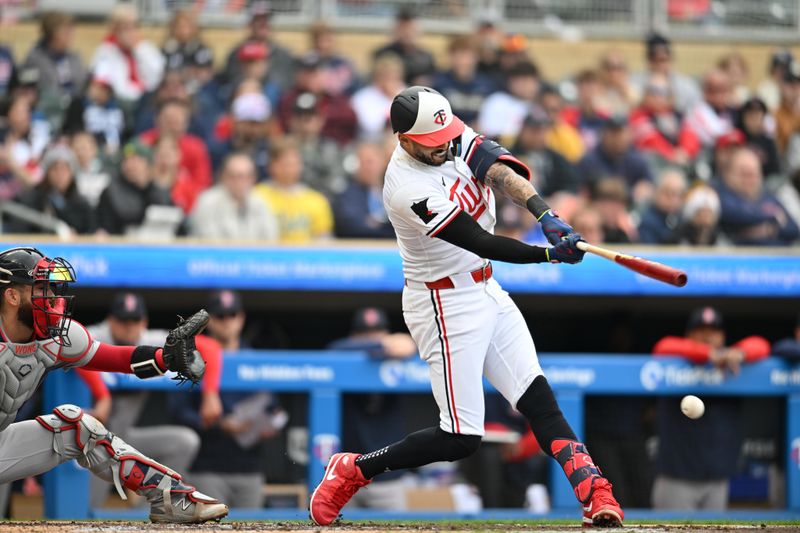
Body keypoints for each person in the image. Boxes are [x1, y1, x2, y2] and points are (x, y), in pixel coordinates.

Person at [308, 86, 624, 528]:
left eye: (447, 138)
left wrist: (544, 214)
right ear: (404, 140)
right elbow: (479, 240)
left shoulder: (447, 133)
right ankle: (354, 469)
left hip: (486, 289)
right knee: (460, 437)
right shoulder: (405, 187)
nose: (445, 148)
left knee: (538, 400)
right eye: (432, 144)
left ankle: (595, 493)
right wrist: (547, 255)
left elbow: (499, 172)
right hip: (441, 300)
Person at [0, 246, 228, 523]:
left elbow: (110, 357)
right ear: (12, 296)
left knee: (77, 427)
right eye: (40, 289)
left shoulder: (53, 338)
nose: (51, 298)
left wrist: (165, 359)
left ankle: (169, 498)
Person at [81, 291, 222, 508]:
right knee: (86, 507)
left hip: (124, 437)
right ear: (111, 320)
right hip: (87, 439)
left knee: (185, 441)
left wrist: (210, 392)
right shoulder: (97, 335)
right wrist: (102, 394)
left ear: (144, 322)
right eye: (123, 320)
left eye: (134, 320)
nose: (129, 326)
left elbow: (210, 347)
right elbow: (72, 348)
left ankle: (150, 510)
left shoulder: (149, 340)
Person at [172, 289, 285, 509]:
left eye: (232, 315)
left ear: (241, 318)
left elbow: (274, 407)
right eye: (221, 316)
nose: (227, 321)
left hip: (250, 467)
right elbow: (177, 411)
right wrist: (218, 424)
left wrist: (270, 425)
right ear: (209, 320)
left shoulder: (254, 359)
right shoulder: (191, 358)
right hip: (207, 467)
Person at [651, 306, 771, 510]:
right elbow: (662, 346)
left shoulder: (733, 362)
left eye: (714, 331)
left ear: (723, 336)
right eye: (701, 330)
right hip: (676, 479)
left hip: (717, 481)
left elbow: (762, 345)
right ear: (689, 335)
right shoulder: (675, 360)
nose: (707, 336)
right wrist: (708, 353)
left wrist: (738, 353)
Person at [325, 307, 416, 510]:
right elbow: (334, 350)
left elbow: (421, 348)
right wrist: (380, 344)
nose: (371, 338)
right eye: (364, 334)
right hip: (346, 478)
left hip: (389, 478)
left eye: (377, 332)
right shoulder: (343, 354)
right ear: (353, 336)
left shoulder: (397, 359)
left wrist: (409, 344)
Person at [715, 146, 799, 246]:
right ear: (728, 174)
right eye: (744, 174)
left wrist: (768, 229)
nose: (750, 180)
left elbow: (794, 229)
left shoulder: (768, 197)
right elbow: (735, 216)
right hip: (740, 256)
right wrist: (775, 218)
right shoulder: (720, 193)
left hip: (778, 256)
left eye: (754, 174)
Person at [254, 138, 333, 243]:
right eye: (285, 163)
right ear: (271, 165)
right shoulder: (256, 196)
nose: (290, 169)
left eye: (294, 163)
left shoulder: (316, 200)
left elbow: (324, 241)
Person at [189, 152, 278, 241]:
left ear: (253, 178)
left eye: (245, 176)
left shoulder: (260, 201)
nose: (239, 182)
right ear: (223, 176)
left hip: (254, 254)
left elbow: (270, 238)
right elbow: (209, 241)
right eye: (233, 176)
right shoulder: (207, 202)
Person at [9, 144, 96, 235]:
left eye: (64, 169)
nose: (60, 174)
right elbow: (20, 231)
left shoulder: (82, 204)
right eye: (55, 169)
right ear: (47, 173)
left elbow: (91, 231)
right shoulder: (32, 199)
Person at [22, 10, 87, 126]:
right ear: (52, 34)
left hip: (74, 110)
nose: (70, 35)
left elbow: (83, 85)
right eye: (66, 31)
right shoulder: (35, 58)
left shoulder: (75, 58)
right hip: (47, 111)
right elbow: (30, 91)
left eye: (71, 31)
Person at [90, 4, 164, 104]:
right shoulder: (106, 50)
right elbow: (113, 85)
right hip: (122, 101)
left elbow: (156, 75)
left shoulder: (144, 46)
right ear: (115, 29)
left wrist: (136, 49)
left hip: (147, 98)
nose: (130, 32)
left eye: (133, 27)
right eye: (124, 28)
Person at [95, 141, 173, 236]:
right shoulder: (112, 191)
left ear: (148, 165)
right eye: (127, 160)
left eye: (137, 160)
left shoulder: (158, 190)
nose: (131, 165)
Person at [576, 115, 654, 203]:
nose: (617, 138)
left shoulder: (636, 160)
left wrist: (645, 188)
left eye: (621, 133)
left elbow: (649, 184)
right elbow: (579, 192)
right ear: (604, 134)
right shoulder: (589, 161)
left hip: (629, 208)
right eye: (613, 133)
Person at [333, 141, 395, 239]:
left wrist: (374, 223)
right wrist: (386, 225)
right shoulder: (347, 194)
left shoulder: (394, 192)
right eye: (361, 162)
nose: (366, 167)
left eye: (370, 162)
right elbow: (351, 225)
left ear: (383, 162)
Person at [432, 34, 496, 126]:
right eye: (457, 56)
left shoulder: (487, 85)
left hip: (478, 135)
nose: (462, 61)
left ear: (476, 57)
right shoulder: (438, 82)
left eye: (466, 56)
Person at [372, 8, 435, 86]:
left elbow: (433, 80)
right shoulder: (383, 54)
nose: (407, 32)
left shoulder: (426, 57)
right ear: (396, 29)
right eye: (403, 28)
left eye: (410, 28)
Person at [685, 69, 737, 150]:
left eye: (724, 90)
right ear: (706, 92)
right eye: (715, 90)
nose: (720, 96)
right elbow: (715, 136)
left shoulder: (732, 110)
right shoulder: (698, 110)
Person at [637, 169, 688, 244]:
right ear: (658, 192)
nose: (674, 200)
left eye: (679, 195)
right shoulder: (648, 222)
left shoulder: (682, 219)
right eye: (668, 194)